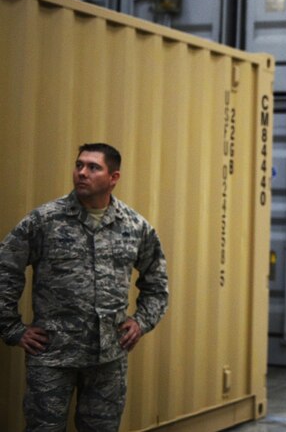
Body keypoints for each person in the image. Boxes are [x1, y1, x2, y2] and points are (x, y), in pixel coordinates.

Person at [0, 143, 169, 431]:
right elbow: (6, 268)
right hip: (52, 356)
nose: (82, 172)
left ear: (113, 177)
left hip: (108, 359)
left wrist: (141, 322)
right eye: (79, 165)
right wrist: (12, 327)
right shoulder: (45, 221)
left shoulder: (135, 227)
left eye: (93, 167)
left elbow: (156, 282)